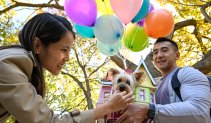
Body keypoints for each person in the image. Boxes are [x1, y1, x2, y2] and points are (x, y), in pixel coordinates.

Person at [0, 13, 134, 123]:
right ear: (37, 45)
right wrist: (108, 107)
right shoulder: (11, 63)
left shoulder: (21, 64)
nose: (68, 58)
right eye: (64, 50)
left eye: (69, 51)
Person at [117, 37, 211, 123]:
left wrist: (151, 110)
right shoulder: (154, 83)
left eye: (164, 50)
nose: (159, 55)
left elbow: (200, 110)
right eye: (155, 52)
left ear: (177, 55)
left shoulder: (188, 73)